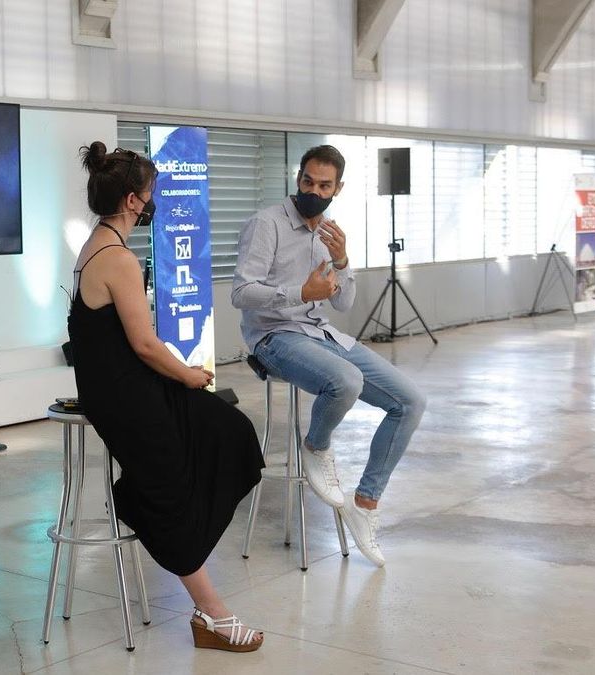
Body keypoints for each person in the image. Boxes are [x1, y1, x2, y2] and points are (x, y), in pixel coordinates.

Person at [68, 141, 265, 652]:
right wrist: (188, 376)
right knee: (176, 484)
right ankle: (212, 614)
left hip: (122, 383)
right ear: (134, 200)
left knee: (225, 429)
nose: (154, 199)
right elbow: (146, 344)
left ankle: (147, 504)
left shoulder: (99, 244)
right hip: (123, 392)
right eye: (151, 192)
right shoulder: (118, 259)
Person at [230, 144, 427, 567]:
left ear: (338, 188)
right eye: (307, 182)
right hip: (274, 337)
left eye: (324, 186)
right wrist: (300, 292)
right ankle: (316, 448)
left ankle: (366, 504)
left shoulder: (328, 233)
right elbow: (241, 293)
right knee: (347, 381)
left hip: (322, 334)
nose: (313, 192)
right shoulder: (266, 224)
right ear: (297, 178)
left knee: (411, 402)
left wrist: (341, 260)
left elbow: (343, 303)